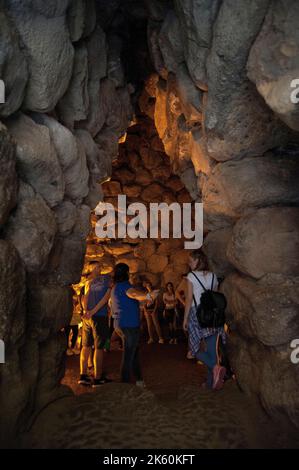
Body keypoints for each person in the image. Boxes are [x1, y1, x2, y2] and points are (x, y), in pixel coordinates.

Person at [183, 250, 226, 390]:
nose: (189, 264)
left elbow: (189, 299)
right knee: (212, 351)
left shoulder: (191, 276)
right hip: (213, 315)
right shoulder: (213, 276)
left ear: (199, 261)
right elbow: (215, 296)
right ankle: (210, 383)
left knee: (194, 350)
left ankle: (215, 368)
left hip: (197, 314)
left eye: (191, 261)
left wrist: (185, 319)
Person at [110, 263, 156, 387]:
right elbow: (134, 294)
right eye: (129, 272)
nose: (130, 274)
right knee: (129, 354)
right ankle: (124, 383)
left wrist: (146, 298)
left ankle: (139, 380)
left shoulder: (116, 287)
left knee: (133, 352)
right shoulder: (124, 286)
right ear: (125, 273)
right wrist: (147, 295)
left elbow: (133, 302)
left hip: (122, 323)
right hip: (128, 325)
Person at [78, 264, 112, 387]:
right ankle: (97, 378)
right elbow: (106, 297)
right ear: (90, 269)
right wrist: (91, 311)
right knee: (98, 347)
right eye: (97, 267)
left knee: (86, 346)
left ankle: (83, 375)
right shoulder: (106, 279)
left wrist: (86, 311)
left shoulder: (88, 282)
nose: (100, 268)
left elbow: (84, 298)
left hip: (89, 317)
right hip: (99, 316)